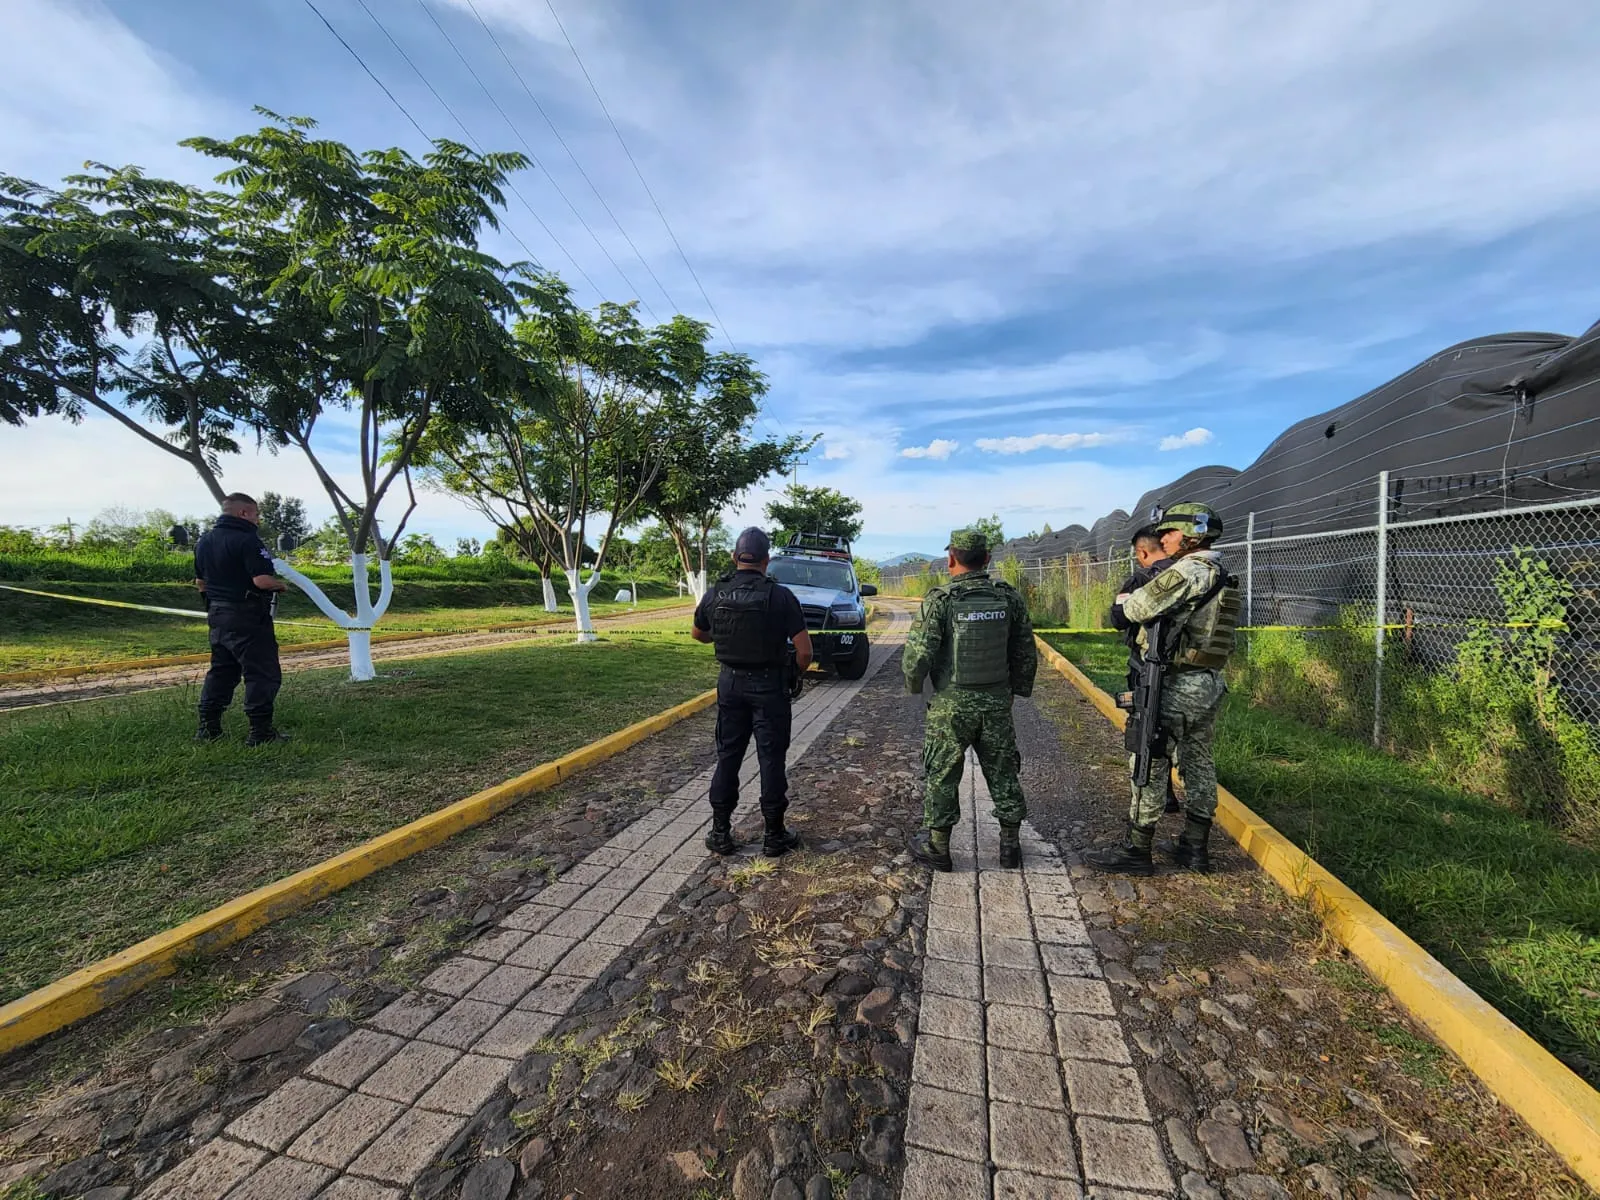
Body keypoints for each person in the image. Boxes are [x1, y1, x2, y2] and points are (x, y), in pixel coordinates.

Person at [1085, 502, 1239, 875]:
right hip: (1208, 682)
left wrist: (1127, 603)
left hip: (1174, 682)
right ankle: (1194, 847)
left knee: (1149, 759)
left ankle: (1137, 850)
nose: (1163, 539)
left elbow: (1136, 608)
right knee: (1199, 760)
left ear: (1191, 535)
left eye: (1169, 532)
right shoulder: (1221, 571)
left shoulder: (1189, 571)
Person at [904, 529, 1037, 872]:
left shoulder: (941, 600)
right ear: (987, 559)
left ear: (951, 559)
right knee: (1004, 771)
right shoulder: (1009, 598)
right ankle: (1010, 845)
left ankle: (939, 847)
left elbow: (919, 655)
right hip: (995, 704)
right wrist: (1016, 691)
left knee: (942, 773)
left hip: (950, 707)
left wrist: (914, 686)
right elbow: (1024, 651)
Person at [692, 527, 814, 857]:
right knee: (771, 759)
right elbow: (805, 652)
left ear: (735, 557)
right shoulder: (780, 596)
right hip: (769, 687)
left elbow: (698, 634)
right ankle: (774, 835)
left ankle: (720, 832)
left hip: (730, 685)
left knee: (728, 757)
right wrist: (791, 674)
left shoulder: (716, 592)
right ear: (766, 560)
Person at [193, 493, 290, 745]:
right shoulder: (249, 541)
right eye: (256, 514)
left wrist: (213, 606)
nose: (258, 520)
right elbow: (261, 580)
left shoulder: (204, 541)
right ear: (243, 513)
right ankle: (260, 732)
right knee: (262, 672)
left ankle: (208, 728)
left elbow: (200, 582)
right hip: (248, 615)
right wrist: (280, 586)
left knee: (222, 671)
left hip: (217, 615)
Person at [1110, 526, 1181, 816]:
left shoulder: (1142, 579)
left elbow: (1117, 618)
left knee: (1147, 729)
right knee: (1181, 735)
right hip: (1189, 671)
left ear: (1142, 552)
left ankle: (1158, 799)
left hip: (1147, 667)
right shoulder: (1191, 574)